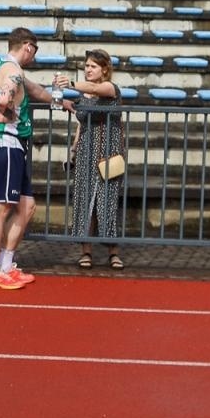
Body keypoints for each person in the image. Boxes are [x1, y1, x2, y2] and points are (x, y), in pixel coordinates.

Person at [0, 27, 62, 290]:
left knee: (26, 207)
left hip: (12, 146)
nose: (34, 57)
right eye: (34, 51)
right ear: (28, 46)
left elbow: (36, 90)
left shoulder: (6, 67)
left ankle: (6, 265)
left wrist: (62, 103)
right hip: (5, 144)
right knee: (1, 208)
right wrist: (7, 111)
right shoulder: (12, 70)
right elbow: (5, 95)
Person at [65, 48, 127, 269]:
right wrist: (73, 150)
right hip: (85, 152)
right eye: (86, 66)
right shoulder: (83, 96)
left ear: (105, 69)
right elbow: (81, 124)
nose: (88, 69)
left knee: (107, 202)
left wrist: (69, 84)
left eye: (93, 66)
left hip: (108, 153)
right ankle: (86, 251)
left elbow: (94, 88)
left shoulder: (111, 88)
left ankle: (113, 252)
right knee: (84, 203)